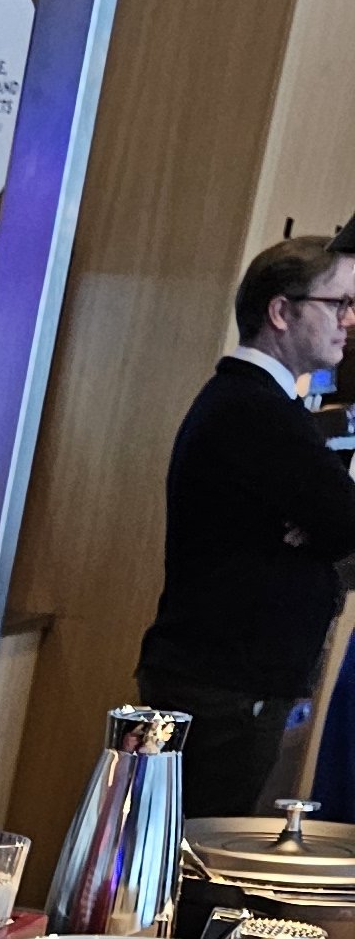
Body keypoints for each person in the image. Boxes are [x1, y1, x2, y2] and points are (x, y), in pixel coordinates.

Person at [135, 235, 355, 819]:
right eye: (338, 303)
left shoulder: (259, 403)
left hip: (230, 681)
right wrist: (325, 531)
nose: (349, 320)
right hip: (225, 686)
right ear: (281, 311)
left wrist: (320, 530)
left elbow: (335, 522)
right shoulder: (254, 410)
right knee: (197, 853)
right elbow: (347, 523)